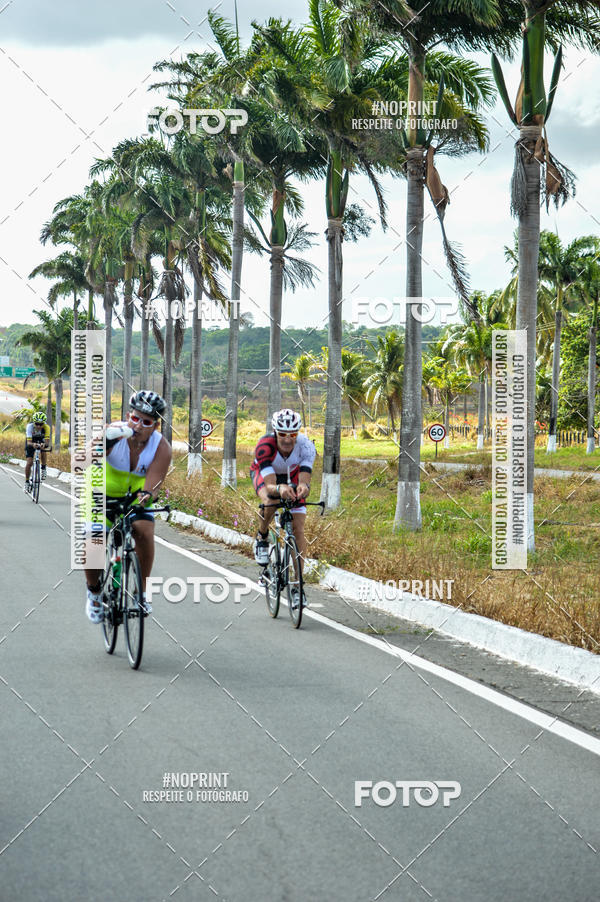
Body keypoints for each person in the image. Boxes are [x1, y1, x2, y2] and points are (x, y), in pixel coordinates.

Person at [84, 391, 172, 624]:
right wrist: (103, 444)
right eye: (135, 419)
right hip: (101, 493)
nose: (139, 426)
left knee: (143, 530)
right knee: (94, 539)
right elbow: (90, 454)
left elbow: (154, 483)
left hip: (135, 496)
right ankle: (93, 593)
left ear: (155, 425)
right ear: (127, 416)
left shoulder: (161, 447)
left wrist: (147, 495)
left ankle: (141, 592)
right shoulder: (115, 433)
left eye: (146, 422)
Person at [250, 409, 316, 606]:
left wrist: (303, 488)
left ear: (298, 433)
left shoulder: (306, 447)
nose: (288, 440)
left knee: (298, 529)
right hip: (266, 477)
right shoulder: (265, 446)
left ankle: (298, 586)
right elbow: (271, 486)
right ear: (275, 432)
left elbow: (304, 479)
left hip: (291, 476)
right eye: (283, 435)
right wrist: (280, 489)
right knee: (271, 499)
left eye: (293, 435)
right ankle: (261, 538)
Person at [24, 411, 50, 489]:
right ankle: (27, 481)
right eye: (37, 424)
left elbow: (47, 442)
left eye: (41, 424)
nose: (38, 426)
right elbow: (29, 442)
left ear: (44, 423)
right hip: (31, 441)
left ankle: (43, 468)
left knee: (43, 450)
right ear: (34, 422)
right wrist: (33, 445)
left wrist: (44, 445)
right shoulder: (30, 427)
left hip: (40, 440)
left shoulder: (46, 427)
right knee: (29, 463)